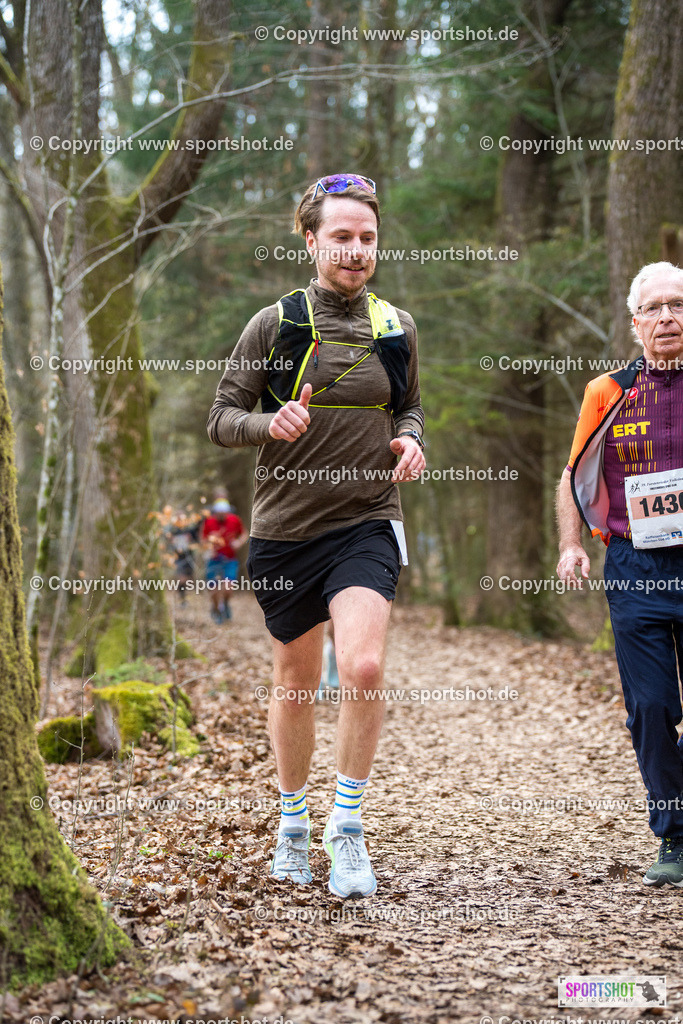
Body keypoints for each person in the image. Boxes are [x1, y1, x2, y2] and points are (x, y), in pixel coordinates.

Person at [207, 173, 425, 897]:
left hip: (365, 518)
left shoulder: (395, 327)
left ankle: (348, 827)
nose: (356, 251)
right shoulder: (275, 324)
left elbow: (408, 410)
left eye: (367, 238)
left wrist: (410, 442)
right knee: (296, 682)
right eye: (341, 237)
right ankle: (293, 822)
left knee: (361, 667)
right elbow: (221, 418)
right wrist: (270, 423)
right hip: (283, 530)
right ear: (310, 240)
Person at [557, 260, 683, 887]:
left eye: (678, 305)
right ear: (635, 323)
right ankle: (676, 836)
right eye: (655, 308)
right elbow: (572, 473)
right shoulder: (608, 391)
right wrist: (572, 545)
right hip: (635, 564)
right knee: (654, 707)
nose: (668, 317)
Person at [201, 498, 247, 623]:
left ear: (227, 512)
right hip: (213, 560)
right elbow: (203, 538)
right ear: (215, 512)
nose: (221, 515)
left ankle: (226, 604)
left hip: (230, 559)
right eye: (219, 513)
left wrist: (238, 542)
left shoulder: (234, 520)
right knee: (214, 589)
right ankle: (216, 610)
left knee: (228, 588)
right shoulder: (209, 521)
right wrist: (209, 548)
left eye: (224, 513)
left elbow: (244, 534)